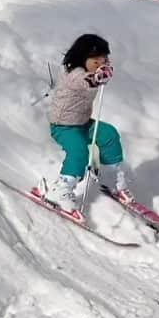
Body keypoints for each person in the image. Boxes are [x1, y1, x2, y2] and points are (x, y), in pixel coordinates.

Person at [44, 33, 134, 214]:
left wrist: (101, 74)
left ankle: (110, 178)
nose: (101, 65)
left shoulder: (91, 71)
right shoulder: (73, 74)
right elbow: (85, 82)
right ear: (81, 58)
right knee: (79, 151)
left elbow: (94, 77)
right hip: (63, 126)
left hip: (83, 123)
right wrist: (97, 79)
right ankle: (60, 190)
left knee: (109, 134)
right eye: (96, 62)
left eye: (105, 60)